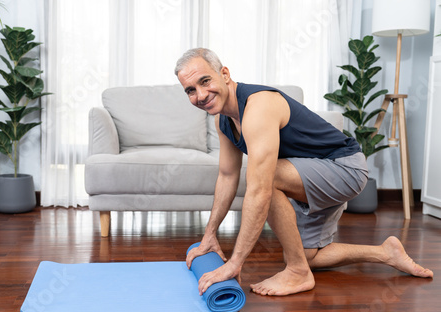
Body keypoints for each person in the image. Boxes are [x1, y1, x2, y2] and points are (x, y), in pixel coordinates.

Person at [174, 48, 433, 297]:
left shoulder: (258, 106)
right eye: (190, 90)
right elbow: (227, 176)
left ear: (225, 74)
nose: (200, 94)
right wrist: (209, 236)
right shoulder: (224, 122)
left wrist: (234, 263)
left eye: (205, 81)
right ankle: (386, 253)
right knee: (309, 256)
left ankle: (297, 273)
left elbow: (260, 189)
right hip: (311, 176)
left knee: (266, 177)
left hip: (345, 168)